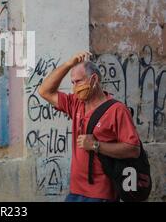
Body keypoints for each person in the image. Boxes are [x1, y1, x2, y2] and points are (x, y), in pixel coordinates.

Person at [39, 51, 141, 202]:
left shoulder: (117, 110)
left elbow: (134, 149)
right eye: (72, 83)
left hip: (100, 194)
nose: (74, 88)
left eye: (78, 81)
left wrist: (96, 145)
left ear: (94, 79)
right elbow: (44, 91)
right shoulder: (76, 103)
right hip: (75, 191)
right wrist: (68, 64)